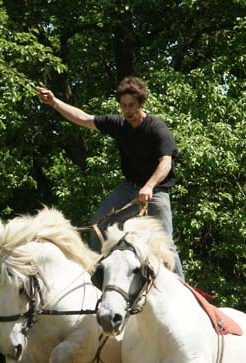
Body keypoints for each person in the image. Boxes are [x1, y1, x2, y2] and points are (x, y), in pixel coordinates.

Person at [35, 76, 184, 279]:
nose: (128, 111)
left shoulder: (156, 129)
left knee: (166, 242)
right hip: (129, 188)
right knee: (99, 225)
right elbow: (84, 118)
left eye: (132, 105)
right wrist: (54, 102)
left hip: (155, 191)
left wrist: (149, 186)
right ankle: (97, 278)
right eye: (123, 106)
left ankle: (182, 287)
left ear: (141, 103)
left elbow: (166, 162)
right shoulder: (118, 124)